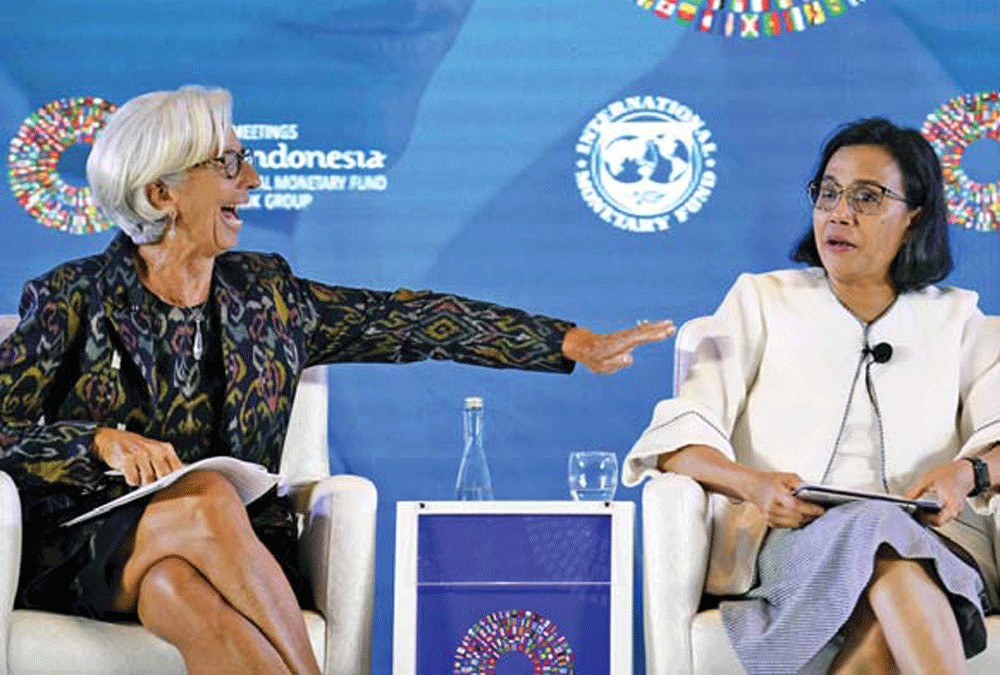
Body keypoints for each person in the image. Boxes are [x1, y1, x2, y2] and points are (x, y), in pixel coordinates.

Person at [0, 86, 674, 674]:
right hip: (88, 547)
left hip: (229, 553)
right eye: (230, 163)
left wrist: (568, 341)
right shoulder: (71, 297)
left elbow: (411, 321)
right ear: (160, 192)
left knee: (178, 590)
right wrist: (97, 442)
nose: (254, 179)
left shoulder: (270, 295)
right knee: (205, 496)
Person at [624, 118, 1000, 673]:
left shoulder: (959, 320)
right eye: (828, 193)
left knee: (887, 567)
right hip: (794, 541)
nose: (838, 213)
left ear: (914, 215)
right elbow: (678, 442)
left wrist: (966, 475)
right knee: (882, 542)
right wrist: (753, 485)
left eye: (867, 198)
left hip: (935, 542)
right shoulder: (762, 301)